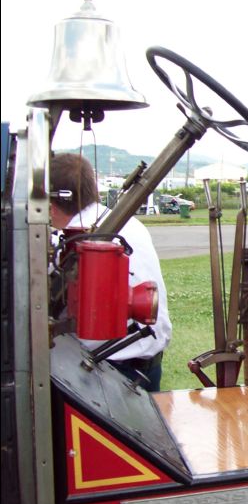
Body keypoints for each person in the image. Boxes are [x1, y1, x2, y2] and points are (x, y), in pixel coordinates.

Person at [50, 153, 172, 391]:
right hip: (147, 366)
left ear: (52, 206)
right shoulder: (131, 224)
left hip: (106, 371)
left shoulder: (65, 244)